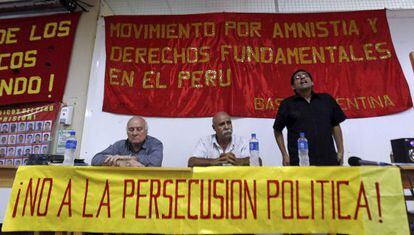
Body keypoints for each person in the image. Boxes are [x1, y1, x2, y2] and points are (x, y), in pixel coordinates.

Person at [273, 69, 346, 166]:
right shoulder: (287, 104)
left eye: (305, 76)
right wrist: (284, 155)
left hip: (328, 158)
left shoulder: (326, 99)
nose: (302, 78)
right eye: (297, 77)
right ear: (293, 87)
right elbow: (277, 129)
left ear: (312, 82)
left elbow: (335, 125)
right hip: (300, 160)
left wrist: (340, 151)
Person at [92, 116, 163, 167]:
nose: (135, 133)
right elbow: (96, 160)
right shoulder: (119, 145)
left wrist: (128, 157)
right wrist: (121, 163)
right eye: (131, 130)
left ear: (146, 131)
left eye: (139, 129)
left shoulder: (155, 144)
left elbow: (156, 162)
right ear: (127, 132)